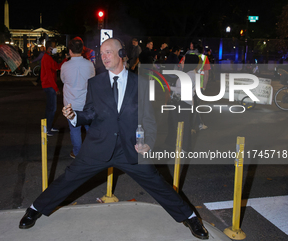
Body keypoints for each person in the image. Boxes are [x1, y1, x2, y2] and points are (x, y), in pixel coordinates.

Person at [19, 38, 209, 240]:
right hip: (98, 146)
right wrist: (75, 116)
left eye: (108, 52)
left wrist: (149, 143)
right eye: (101, 53)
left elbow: (148, 119)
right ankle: (35, 209)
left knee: (157, 183)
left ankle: (190, 218)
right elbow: (90, 113)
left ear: (120, 54)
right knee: (69, 178)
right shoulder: (95, 83)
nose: (103, 57)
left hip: (130, 148)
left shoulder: (141, 83)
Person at [60, 37, 95, 158]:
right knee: (90, 128)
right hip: (86, 103)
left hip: (71, 104)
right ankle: (92, 150)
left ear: (70, 50)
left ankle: (77, 152)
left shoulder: (65, 66)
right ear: (82, 50)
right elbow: (92, 80)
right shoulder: (89, 64)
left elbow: (63, 80)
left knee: (74, 129)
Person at [40, 41, 62, 136]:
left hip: (48, 86)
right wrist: (56, 88)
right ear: (50, 48)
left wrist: (65, 60)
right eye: (54, 46)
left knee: (50, 108)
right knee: (52, 109)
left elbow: (57, 67)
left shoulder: (48, 57)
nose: (56, 48)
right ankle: (47, 129)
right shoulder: (47, 58)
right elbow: (49, 75)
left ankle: (48, 127)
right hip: (49, 86)